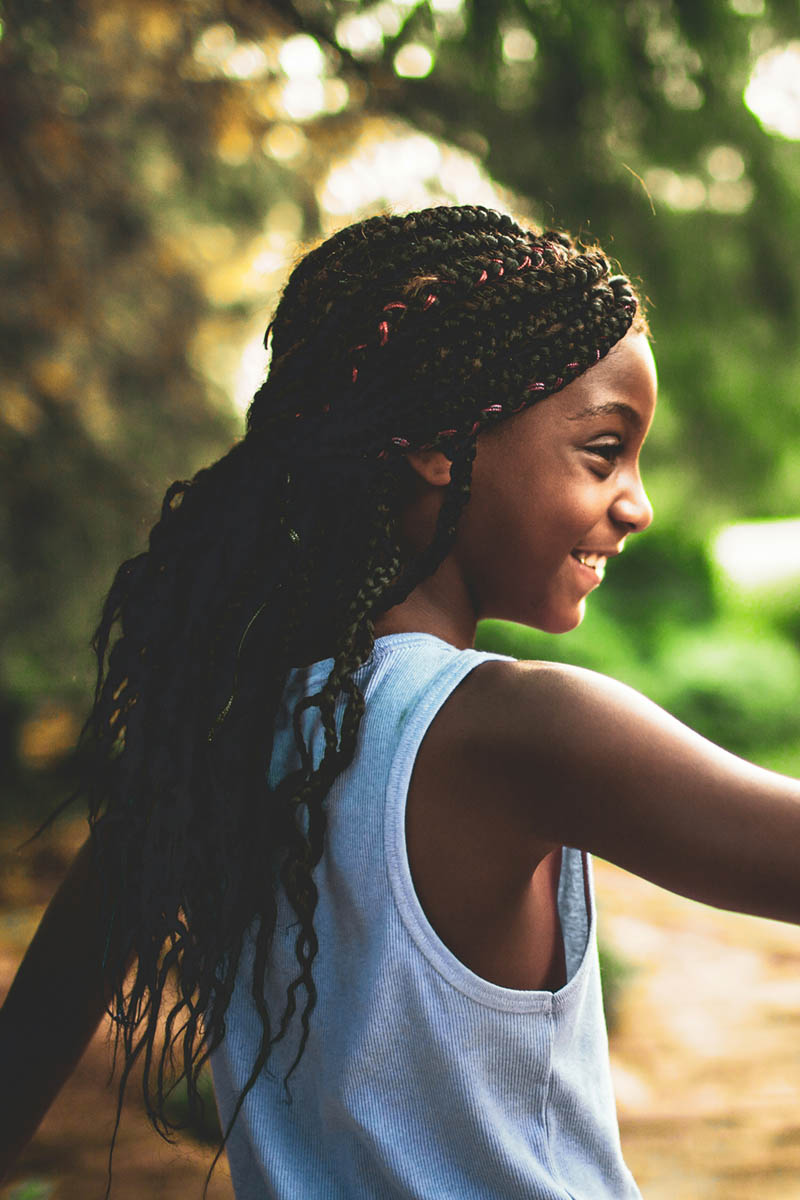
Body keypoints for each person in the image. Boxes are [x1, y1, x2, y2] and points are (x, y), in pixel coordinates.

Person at [1, 203, 799, 1198]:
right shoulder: (520, 731)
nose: (635, 504)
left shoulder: (216, 738)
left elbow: (23, 1054)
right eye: (601, 450)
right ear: (435, 442)